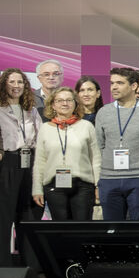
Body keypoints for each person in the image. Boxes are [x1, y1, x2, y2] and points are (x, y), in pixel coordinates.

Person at [0, 67, 41, 265]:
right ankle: (1, 269)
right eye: (12, 82)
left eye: (20, 82)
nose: (16, 86)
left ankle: (31, 269)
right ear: (3, 85)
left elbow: (41, 141)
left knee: (28, 218)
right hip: (4, 163)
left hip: (29, 163)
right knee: (1, 220)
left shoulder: (31, 109)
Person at [95, 67, 139, 220]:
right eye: (112, 83)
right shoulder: (103, 112)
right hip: (109, 179)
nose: (114, 87)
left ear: (133, 86)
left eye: (120, 83)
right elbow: (100, 146)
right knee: (113, 229)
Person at [32, 87, 100, 222]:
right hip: (54, 185)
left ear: (75, 103)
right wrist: (37, 189)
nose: (65, 103)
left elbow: (96, 159)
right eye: (60, 100)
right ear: (53, 105)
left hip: (83, 186)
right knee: (61, 230)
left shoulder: (86, 126)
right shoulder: (45, 128)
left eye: (69, 100)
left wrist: (98, 185)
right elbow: (40, 162)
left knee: (82, 228)